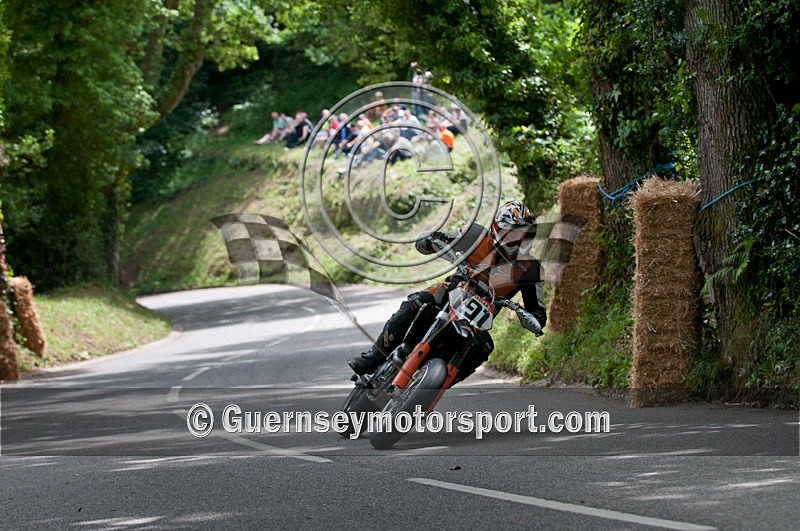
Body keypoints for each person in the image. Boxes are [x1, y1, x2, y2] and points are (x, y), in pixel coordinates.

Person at [348, 200, 547, 382]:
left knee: (484, 348)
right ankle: (374, 357)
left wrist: (535, 318)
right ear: (498, 229)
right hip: (452, 291)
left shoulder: (531, 269)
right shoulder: (475, 235)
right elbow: (436, 241)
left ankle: (436, 387)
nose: (518, 239)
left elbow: (537, 310)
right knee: (418, 301)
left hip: (477, 320)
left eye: (525, 234)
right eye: (513, 233)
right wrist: (430, 240)